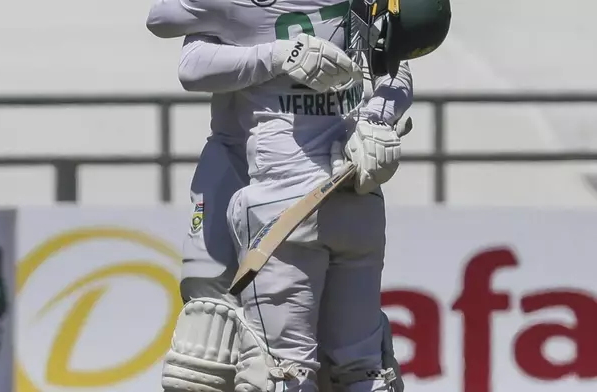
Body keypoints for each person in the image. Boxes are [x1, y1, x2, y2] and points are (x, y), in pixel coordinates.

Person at [146, 0, 450, 391]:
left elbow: (393, 64)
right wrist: (278, 55)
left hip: (322, 176)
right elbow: (180, 47)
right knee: (206, 341)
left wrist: (377, 121)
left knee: (331, 365)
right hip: (237, 158)